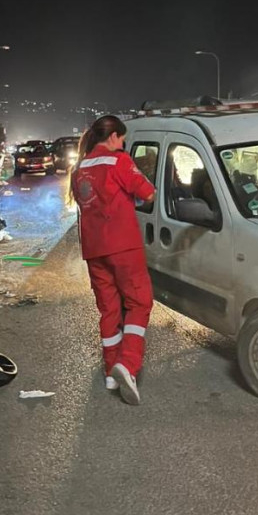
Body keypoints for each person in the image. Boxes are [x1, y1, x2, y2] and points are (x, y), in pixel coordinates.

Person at [70, 115, 156, 405]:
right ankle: (127, 364)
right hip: (123, 245)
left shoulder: (79, 168)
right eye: (122, 139)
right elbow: (148, 193)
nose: (123, 144)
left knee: (109, 309)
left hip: (94, 249)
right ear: (113, 136)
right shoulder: (118, 161)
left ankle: (111, 373)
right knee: (139, 303)